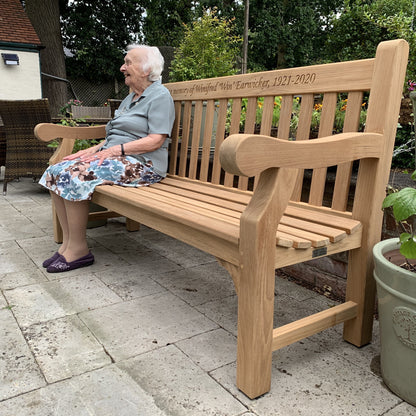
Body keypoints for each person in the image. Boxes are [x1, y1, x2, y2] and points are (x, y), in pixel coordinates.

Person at [39, 45, 175, 273]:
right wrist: (90, 151)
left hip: (144, 165)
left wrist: (114, 151)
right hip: (121, 159)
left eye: (128, 62)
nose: (123, 67)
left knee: (77, 175)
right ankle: (68, 245)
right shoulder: (131, 98)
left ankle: (79, 250)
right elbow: (113, 137)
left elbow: (155, 141)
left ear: (146, 69)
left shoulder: (160, 97)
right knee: (56, 170)